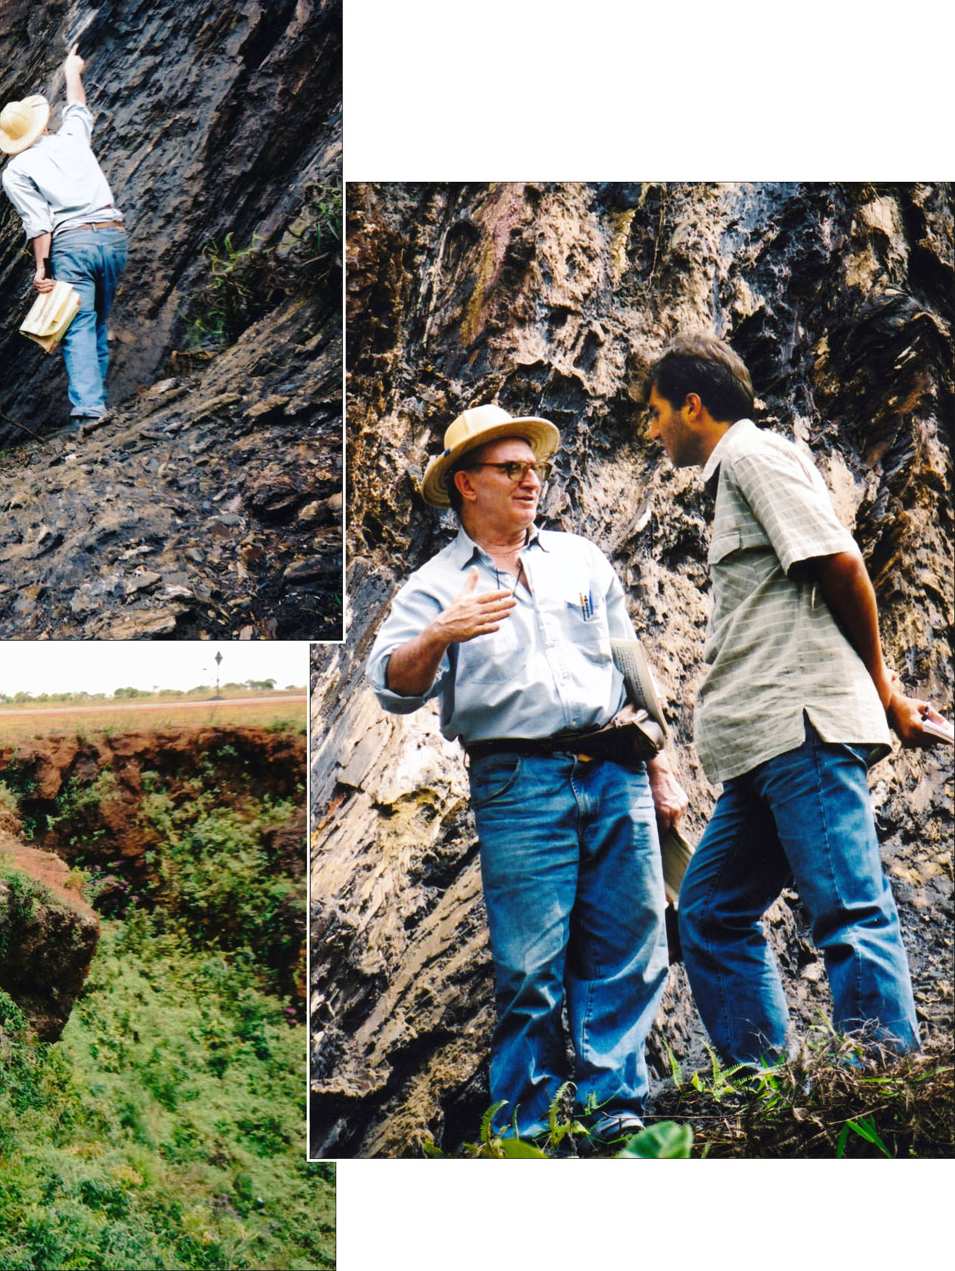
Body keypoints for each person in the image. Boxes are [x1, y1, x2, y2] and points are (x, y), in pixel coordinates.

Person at [366, 405, 687, 1143]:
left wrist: (662, 770)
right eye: (511, 469)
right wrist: (441, 633)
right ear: (465, 484)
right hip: (518, 781)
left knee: (628, 948)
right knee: (529, 967)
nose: (530, 479)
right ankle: (528, 1131)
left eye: (533, 467)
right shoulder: (435, 583)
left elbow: (632, 669)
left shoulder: (581, 559)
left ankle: (618, 1113)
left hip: (614, 766)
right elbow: (390, 682)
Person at [642, 333, 950, 1065]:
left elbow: (842, 563)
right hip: (762, 749)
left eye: (657, 413)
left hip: (802, 731)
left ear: (693, 404)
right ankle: (763, 1092)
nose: (652, 431)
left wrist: (887, 694)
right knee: (711, 915)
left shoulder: (753, 454)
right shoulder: (733, 475)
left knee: (846, 906)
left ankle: (881, 1082)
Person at [0, 44, 126, 436]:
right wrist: (73, 70)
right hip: (113, 236)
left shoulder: (16, 170)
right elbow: (77, 107)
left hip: (72, 246)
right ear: (41, 123)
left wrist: (41, 268)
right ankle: (96, 403)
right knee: (99, 322)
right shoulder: (71, 138)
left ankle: (90, 411)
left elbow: (40, 224)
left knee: (78, 327)